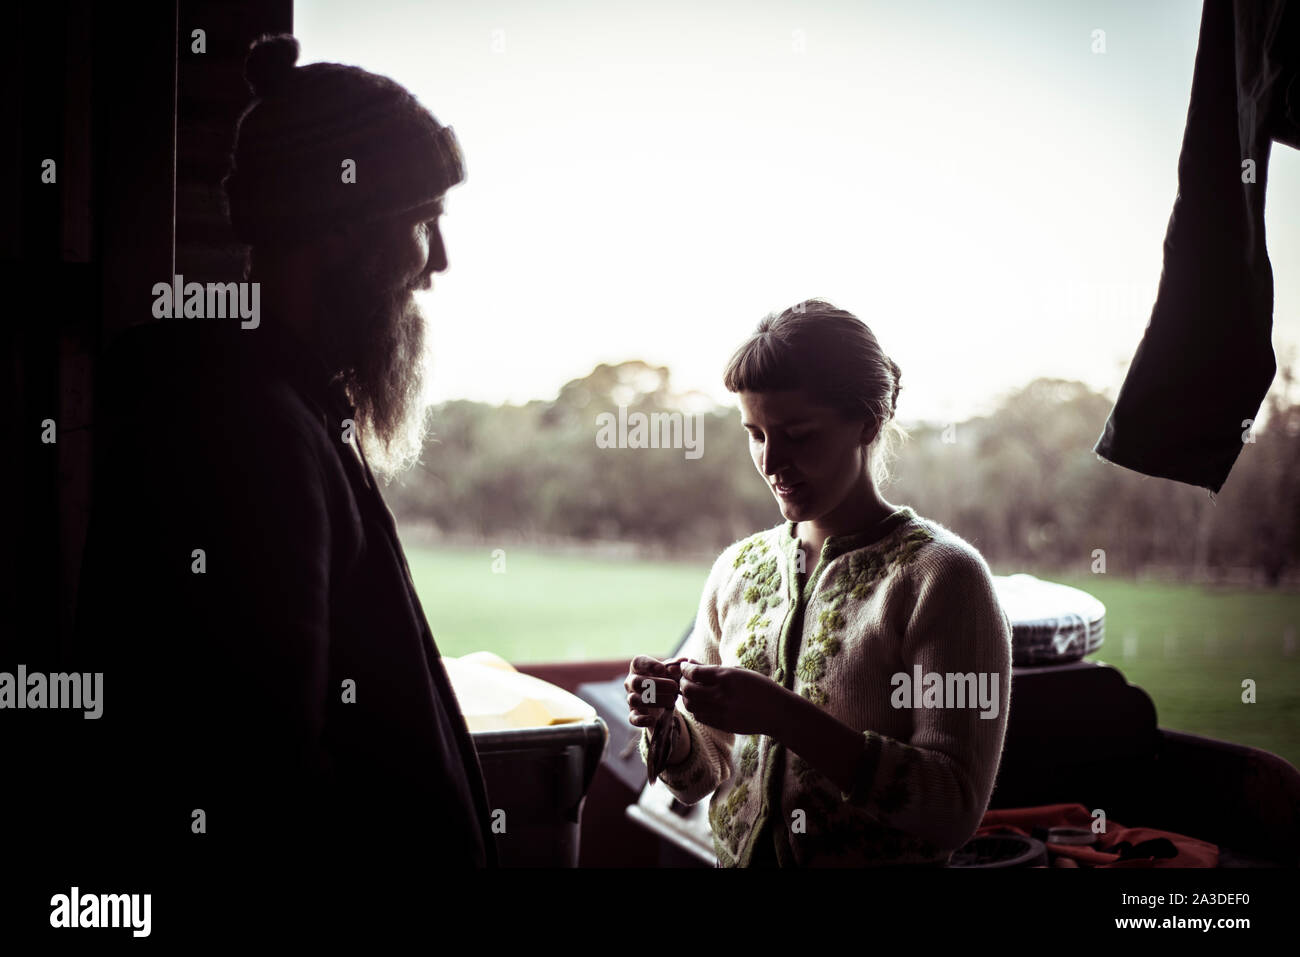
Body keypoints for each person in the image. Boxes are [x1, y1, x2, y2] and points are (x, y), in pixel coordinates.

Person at [69, 33, 497, 884]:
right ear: (338, 232)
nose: (436, 264)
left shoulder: (282, 408)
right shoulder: (246, 430)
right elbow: (257, 789)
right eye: (422, 223)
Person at [626, 300, 1013, 867]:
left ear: (869, 421)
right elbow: (698, 779)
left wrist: (783, 717)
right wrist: (669, 726)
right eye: (755, 434)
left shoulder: (942, 579)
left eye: (798, 434)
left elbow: (952, 809)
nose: (772, 460)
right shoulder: (737, 570)